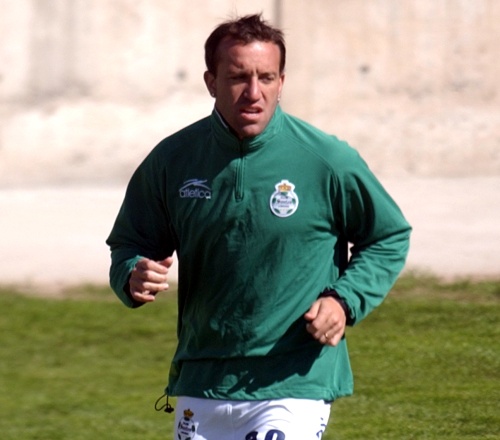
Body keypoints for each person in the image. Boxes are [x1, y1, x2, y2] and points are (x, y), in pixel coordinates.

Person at [106, 13, 411, 440]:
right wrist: (132, 274)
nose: (254, 93)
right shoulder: (172, 160)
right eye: (238, 78)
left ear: (281, 82)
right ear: (211, 82)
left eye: (266, 78)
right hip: (203, 380)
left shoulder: (326, 161)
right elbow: (131, 244)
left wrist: (344, 300)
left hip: (293, 380)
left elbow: (388, 235)